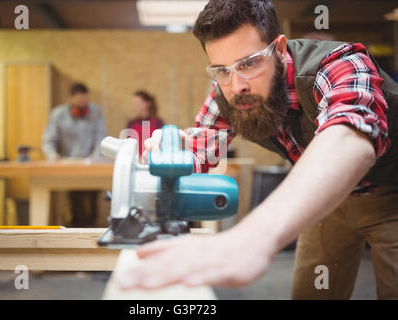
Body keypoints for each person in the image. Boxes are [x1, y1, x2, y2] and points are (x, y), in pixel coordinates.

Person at [119, 0, 398, 299]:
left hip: (391, 197)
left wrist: (252, 238)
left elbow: (350, 136)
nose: (237, 84)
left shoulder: (340, 64)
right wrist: (174, 153)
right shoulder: (229, 91)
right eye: (221, 70)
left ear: (279, 49)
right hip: (326, 205)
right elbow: (200, 151)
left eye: (249, 63)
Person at [42, 82, 107, 227]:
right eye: (80, 99)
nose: (83, 102)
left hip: (90, 164)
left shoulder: (95, 112)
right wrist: (53, 155)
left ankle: (91, 228)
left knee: (91, 199)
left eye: (86, 99)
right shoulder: (58, 114)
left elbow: (100, 136)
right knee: (74, 201)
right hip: (68, 164)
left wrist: (95, 156)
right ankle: (74, 227)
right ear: (71, 98)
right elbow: (49, 140)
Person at [126, 90, 165, 157]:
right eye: (134, 104)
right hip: (136, 161)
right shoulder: (131, 123)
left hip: (153, 160)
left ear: (147, 104)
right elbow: (128, 146)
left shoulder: (158, 123)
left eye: (137, 104)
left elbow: (162, 144)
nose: (135, 107)